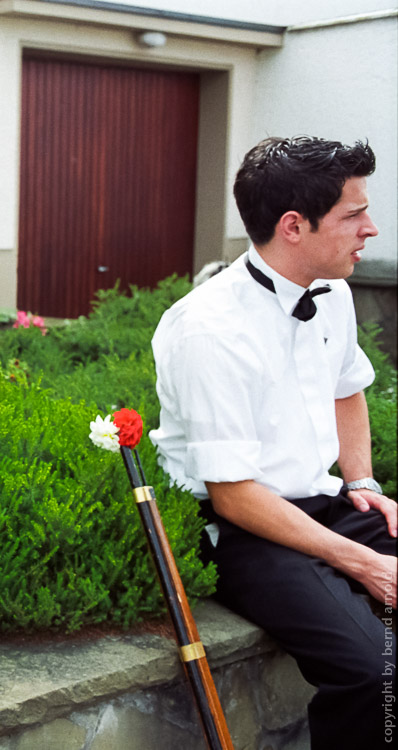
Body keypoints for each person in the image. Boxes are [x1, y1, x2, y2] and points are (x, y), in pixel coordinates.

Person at [150, 135, 396, 750]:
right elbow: (233, 497)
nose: (371, 228)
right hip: (243, 531)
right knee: (375, 670)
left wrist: (362, 483)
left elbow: (348, 389)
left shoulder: (332, 289)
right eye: (353, 214)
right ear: (294, 226)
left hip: (325, 503)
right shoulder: (208, 330)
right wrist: (366, 563)